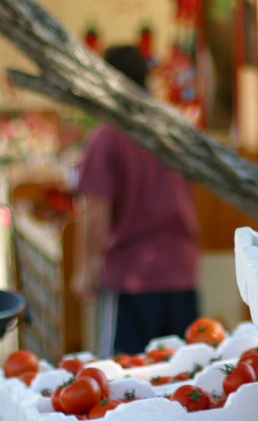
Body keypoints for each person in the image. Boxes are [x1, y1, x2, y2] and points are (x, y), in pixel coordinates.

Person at [70, 44, 201, 357]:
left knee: (125, 379)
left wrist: (86, 267)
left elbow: (97, 210)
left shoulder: (108, 135)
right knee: (186, 373)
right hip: (181, 268)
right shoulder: (173, 125)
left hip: (131, 276)